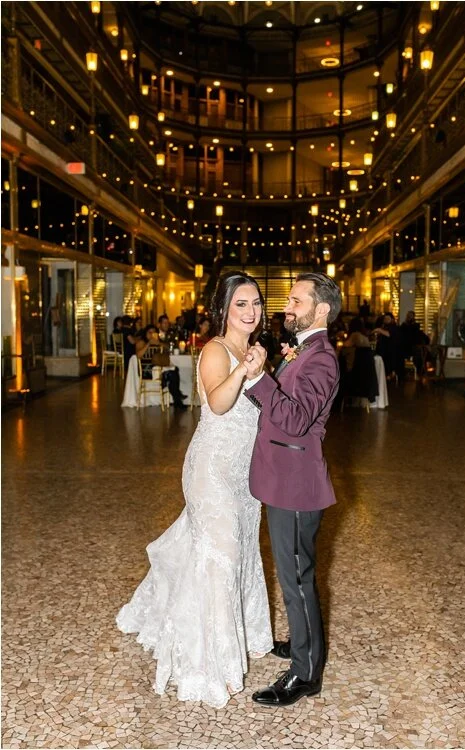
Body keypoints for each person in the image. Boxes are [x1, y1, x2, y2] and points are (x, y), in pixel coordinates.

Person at [116, 273, 274, 707]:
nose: (251, 312)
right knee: (220, 554)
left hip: (244, 473)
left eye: (256, 303)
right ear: (224, 309)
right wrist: (245, 370)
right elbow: (219, 404)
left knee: (237, 549)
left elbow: (265, 408)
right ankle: (211, 663)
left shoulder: (256, 351)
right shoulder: (215, 351)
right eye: (241, 304)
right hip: (212, 469)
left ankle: (247, 634)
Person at [240, 272, 343, 706]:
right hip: (281, 476)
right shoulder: (304, 351)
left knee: (298, 578)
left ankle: (305, 673)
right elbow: (280, 403)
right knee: (290, 574)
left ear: (321, 310)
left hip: (298, 486)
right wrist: (262, 379)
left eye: (297, 300)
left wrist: (263, 377)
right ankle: (302, 643)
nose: (289, 306)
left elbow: (298, 420)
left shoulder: (323, 358)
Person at [137, 326, 189, 409]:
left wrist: (159, 343)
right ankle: (177, 398)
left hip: (159, 367)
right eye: (149, 332)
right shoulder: (141, 342)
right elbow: (138, 356)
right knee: (170, 374)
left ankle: (177, 399)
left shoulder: (158, 342)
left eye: (154, 333)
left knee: (174, 370)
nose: (151, 335)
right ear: (145, 333)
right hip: (146, 369)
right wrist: (148, 344)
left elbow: (169, 348)